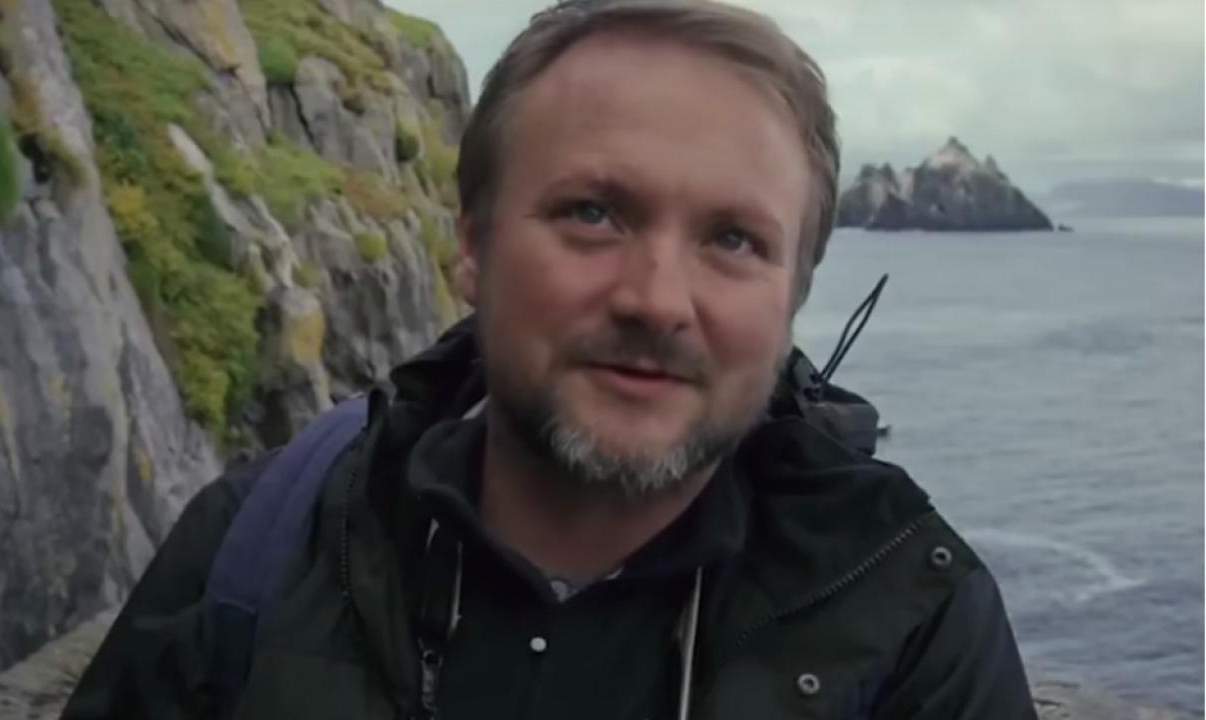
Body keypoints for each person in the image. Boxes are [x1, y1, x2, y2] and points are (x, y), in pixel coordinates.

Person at [64, 1, 1039, 718]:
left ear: (793, 295)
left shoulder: (911, 628)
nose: (656, 299)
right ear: (472, 246)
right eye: (593, 213)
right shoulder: (258, 551)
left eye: (733, 239)